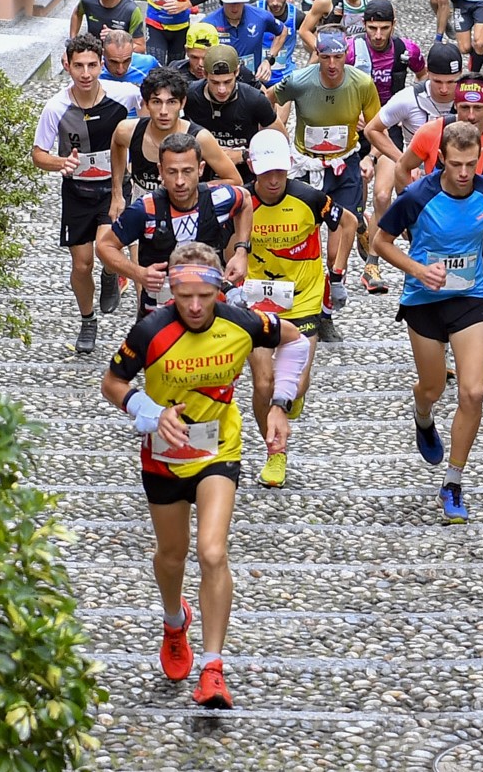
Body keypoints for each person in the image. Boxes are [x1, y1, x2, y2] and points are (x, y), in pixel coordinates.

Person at [100, 240, 308, 709]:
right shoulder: (150, 330)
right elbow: (112, 383)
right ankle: (175, 623)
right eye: (184, 296)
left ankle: (213, 669)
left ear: (220, 290)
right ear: (172, 290)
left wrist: (280, 404)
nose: (195, 306)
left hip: (219, 451)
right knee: (171, 557)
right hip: (164, 457)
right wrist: (150, 411)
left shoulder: (243, 322)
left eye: (205, 296)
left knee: (212, 551)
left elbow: (295, 342)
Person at [373, 121, 483, 524]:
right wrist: (417, 269)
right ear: (441, 161)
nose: (464, 173)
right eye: (456, 165)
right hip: (424, 301)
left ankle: (452, 483)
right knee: (433, 385)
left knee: (473, 392)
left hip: (470, 297)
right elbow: (379, 241)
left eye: (471, 164)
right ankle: (423, 414)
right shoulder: (418, 196)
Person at [235, 129, 355, 487]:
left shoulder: (309, 197)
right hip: (257, 301)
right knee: (264, 382)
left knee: (296, 386)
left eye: (280, 171)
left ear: (289, 165)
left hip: (303, 299)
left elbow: (347, 224)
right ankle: (275, 451)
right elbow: (229, 245)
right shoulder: (240, 204)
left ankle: (291, 398)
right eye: (265, 172)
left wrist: (337, 272)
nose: (273, 180)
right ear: (252, 167)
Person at [31, 34, 143, 353]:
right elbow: (38, 154)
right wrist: (60, 162)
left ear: (101, 65)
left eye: (92, 65)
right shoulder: (56, 107)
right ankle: (87, 320)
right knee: (81, 265)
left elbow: (152, 112)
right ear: (67, 66)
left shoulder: (125, 95)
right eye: (78, 66)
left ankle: (111, 274)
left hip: (114, 188)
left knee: (106, 249)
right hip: (77, 191)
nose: (86, 73)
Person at [269, 30, 382, 342]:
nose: (332, 64)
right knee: (298, 244)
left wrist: (370, 157)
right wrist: (276, 134)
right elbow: (267, 101)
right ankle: (295, 307)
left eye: (338, 57)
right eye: (325, 57)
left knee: (334, 252)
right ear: (317, 55)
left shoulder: (361, 83)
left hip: (345, 167)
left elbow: (377, 127)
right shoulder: (300, 80)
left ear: (346, 55)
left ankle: (328, 309)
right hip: (307, 168)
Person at [99, 130, 253, 321]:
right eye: (172, 172)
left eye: (187, 171)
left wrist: (241, 251)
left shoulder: (217, 198)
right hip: (158, 316)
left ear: (201, 169)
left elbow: (245, 200)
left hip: (207, 316)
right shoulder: (146, 209)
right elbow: (105, 246)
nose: (180, 181)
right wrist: (138, 273)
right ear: (161, 171)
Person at [345, 0, 426, 293]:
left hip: (388, 131)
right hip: (355, 131)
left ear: (393, 26)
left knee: (382, 196)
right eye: (372, 28)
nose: (378, 35)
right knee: (355, 199)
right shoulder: (352, 50)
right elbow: (332, 78)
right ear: (364, 26)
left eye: (384, 28)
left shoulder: (407, 52)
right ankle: (363, 225)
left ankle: (372, 266)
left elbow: (423, 79)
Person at [362, 41, 463, 260]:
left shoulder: (470, 97)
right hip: (420, 176)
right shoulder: (409, 99)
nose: (444, 89)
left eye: (451, 82)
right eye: (437, 82)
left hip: (459, 175)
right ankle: (373, 262)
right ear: (428, 75)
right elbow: (373, 130)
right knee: (382, 197)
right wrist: (405, 161)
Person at [396, 73, 483, 230]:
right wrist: (408, 219)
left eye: (478, 108)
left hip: (479, 227)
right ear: (455, 106)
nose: (471, 116)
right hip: (435, 226)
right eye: (465, 107)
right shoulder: (431, 132)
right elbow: (402, 167)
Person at [111, 65, 242, 216]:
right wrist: (117, 193)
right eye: (156, 102)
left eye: (172, 102)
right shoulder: (127, 131)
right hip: (145, 214)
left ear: (182, 103)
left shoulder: (200, 138)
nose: (164, 111)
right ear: (146, 103)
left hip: (188, 216)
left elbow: (234, 180)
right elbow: (117, 143)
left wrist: (193, 188)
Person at [185, 44, 279, 183]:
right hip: (201, 176)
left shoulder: (254, 99)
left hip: (245, 176)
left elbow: (279, 142)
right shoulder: (189, 95)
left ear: (237, 72)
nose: (221, 89)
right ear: (204, 75)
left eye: (227, 82)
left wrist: (244, 154)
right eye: (215, 82)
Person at [201, 0, 284, 84]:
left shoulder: (261, 17)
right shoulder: (207, 24)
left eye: (239, 2)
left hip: (251, 83)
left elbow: (283, 31)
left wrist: (269, 60)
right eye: (230, 3)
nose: (235, 8)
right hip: (221, 85)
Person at [258, 0, 300, 89]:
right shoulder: (254, 11)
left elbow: (315, 40)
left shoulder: (297, 16)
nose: (275, 2)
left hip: (284, 75)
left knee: (281, 107)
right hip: (258, 75)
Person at [167, 22, 220, 87]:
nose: (200, 64)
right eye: (194, 57)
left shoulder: (227, 73)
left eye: (206, 58)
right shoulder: (175, 69)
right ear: (187, 51)